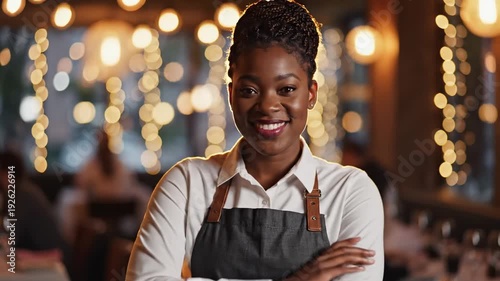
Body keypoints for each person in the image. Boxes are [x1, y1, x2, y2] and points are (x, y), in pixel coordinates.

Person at [126, 1, 384, 280]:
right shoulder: (186, 183)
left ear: (311, 94)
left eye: (286, 89)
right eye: (249, 90)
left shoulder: (351, 193)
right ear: (230, 94)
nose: (268, 106)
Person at [0, 150, 73, 277]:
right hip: (47, 257)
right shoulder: (24, 190)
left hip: (52, 260)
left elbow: (10, 237)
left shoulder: (20, 195)